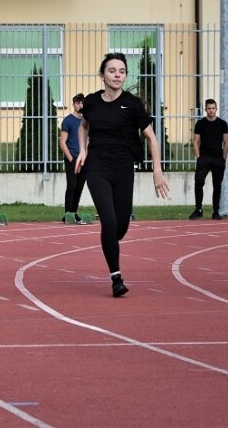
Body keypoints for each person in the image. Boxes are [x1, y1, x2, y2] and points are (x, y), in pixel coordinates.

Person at [75, 53, 170, 297]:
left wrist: (157, 171)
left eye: (121, 71)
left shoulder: (133, 103)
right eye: (112, 70)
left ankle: (110, 240)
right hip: (97, 167)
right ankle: (116, 277)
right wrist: (83, 152)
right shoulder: (92, 102)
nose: (117, 75)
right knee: (108, 220)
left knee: (119, 228)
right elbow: (83, 126)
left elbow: (151, 137)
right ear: (102, 75)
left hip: (124, 167)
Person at [189, 99, 228, 220]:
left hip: (218, 158)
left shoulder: (222, 124)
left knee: (217, 186)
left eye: (213, 108)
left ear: (216, 109)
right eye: (209, 108)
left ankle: (215, 211)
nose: (211, 110)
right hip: (204, 158)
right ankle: (198, 209)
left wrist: (223, 158)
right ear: (205, 109)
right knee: (199, 182)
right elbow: (195, 141)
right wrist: (198, 157)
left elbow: (226, 142)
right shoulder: (200, 124)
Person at [59, 93, 88, 224]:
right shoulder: (68, 120)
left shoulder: (87, 121)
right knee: (72, 185)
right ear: (73, 104)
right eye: (77, 103)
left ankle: (74, 213)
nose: (80, 105)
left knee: (79, 187)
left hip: (83, 159)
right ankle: (67, 214)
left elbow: (88, 139)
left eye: (82, 103)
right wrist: (71, 159)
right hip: (72, 158)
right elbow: (62, 142)